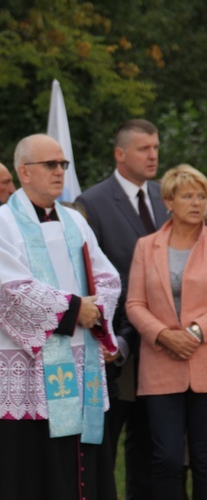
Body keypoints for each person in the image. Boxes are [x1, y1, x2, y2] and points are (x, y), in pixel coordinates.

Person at [0, 133, 121, 499]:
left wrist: (96, 309)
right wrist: (76, 309)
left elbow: (108, 276)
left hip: (79, 359)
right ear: (24, 172)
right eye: (50, 164)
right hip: (25, 371)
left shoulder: (75, 222)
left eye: (63, 164)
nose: (59, 171)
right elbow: (11, 290)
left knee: (77, 466)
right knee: (30, 468)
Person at [76, 118, 167, 500]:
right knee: (109, 440)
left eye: (156, 148)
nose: (153, 155)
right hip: (116, 344)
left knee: (156, 443)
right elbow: (87, 274)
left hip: (165, 340)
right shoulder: (91, 203)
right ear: (120, 153)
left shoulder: (168, 196)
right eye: (144, 148)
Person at [126, 164, 207, 499]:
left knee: (204, 460)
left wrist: (196, 333)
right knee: (167, 458)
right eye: (188, 195)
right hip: (160, 364)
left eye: (202, 195)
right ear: (169, 202)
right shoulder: (147, 246)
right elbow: (134, 303)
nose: (197, 202)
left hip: (203, 362)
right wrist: (162, 334)